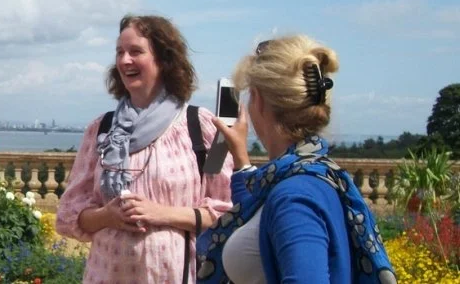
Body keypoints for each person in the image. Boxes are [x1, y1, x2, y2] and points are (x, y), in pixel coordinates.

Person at [197, 35, 396, 283]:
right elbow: (256, 219)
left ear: (257, 99)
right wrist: (241, 159)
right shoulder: (314, 172)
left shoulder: (293, 196)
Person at [56, 14, 233, 283]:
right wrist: (107, 216)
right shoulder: (101, 130)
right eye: (120, 52)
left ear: (163, 59)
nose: (125, 60)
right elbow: (69, 215)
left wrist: (161, 213)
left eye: (136, 51)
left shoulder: (201, 127)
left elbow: (225, 211)